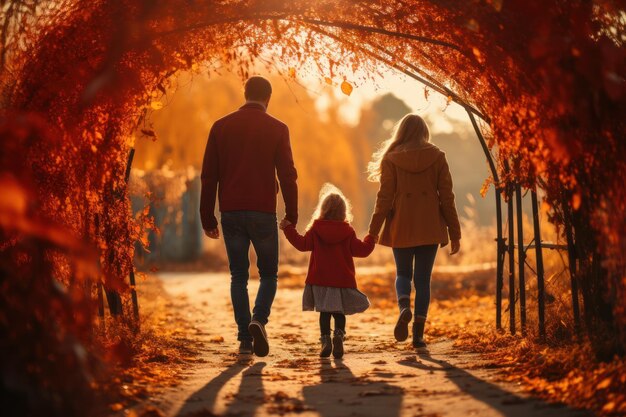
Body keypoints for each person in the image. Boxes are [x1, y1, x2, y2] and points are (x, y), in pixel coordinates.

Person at [200, 76, 298, 357]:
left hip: (230, 211)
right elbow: (287, 175)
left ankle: (244, 337)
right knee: (269, 274)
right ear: (268, 98)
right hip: (263, 211)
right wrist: (292, 213)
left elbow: (209, 176)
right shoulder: (278, 128)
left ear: (245, 94)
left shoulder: (220, 126)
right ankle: (259, 320)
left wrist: (208, 217)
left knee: (238, 276)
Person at [367, 114, 461, 352]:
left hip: (402, 224)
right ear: (424, 132)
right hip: (430, 226)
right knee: (423, 280)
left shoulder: (391, 159)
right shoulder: (438, 157)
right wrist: (455, 231)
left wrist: (373, 230)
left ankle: (403, 307)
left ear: (402, 132)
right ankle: (418, 336)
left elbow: (384, 199)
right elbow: (447, 198)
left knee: (403, 274)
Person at [281, 184, 375, 358]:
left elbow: (301, 245)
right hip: (342, 280)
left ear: (322, 209)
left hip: (320, 279)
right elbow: (363, 250)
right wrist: (371, 237)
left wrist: (288, 228)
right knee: (339, 312)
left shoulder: (316, 230)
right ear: (343, 211)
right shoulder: (348, 232)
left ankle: (325, 340)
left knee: (324, 312)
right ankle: (338, 335)